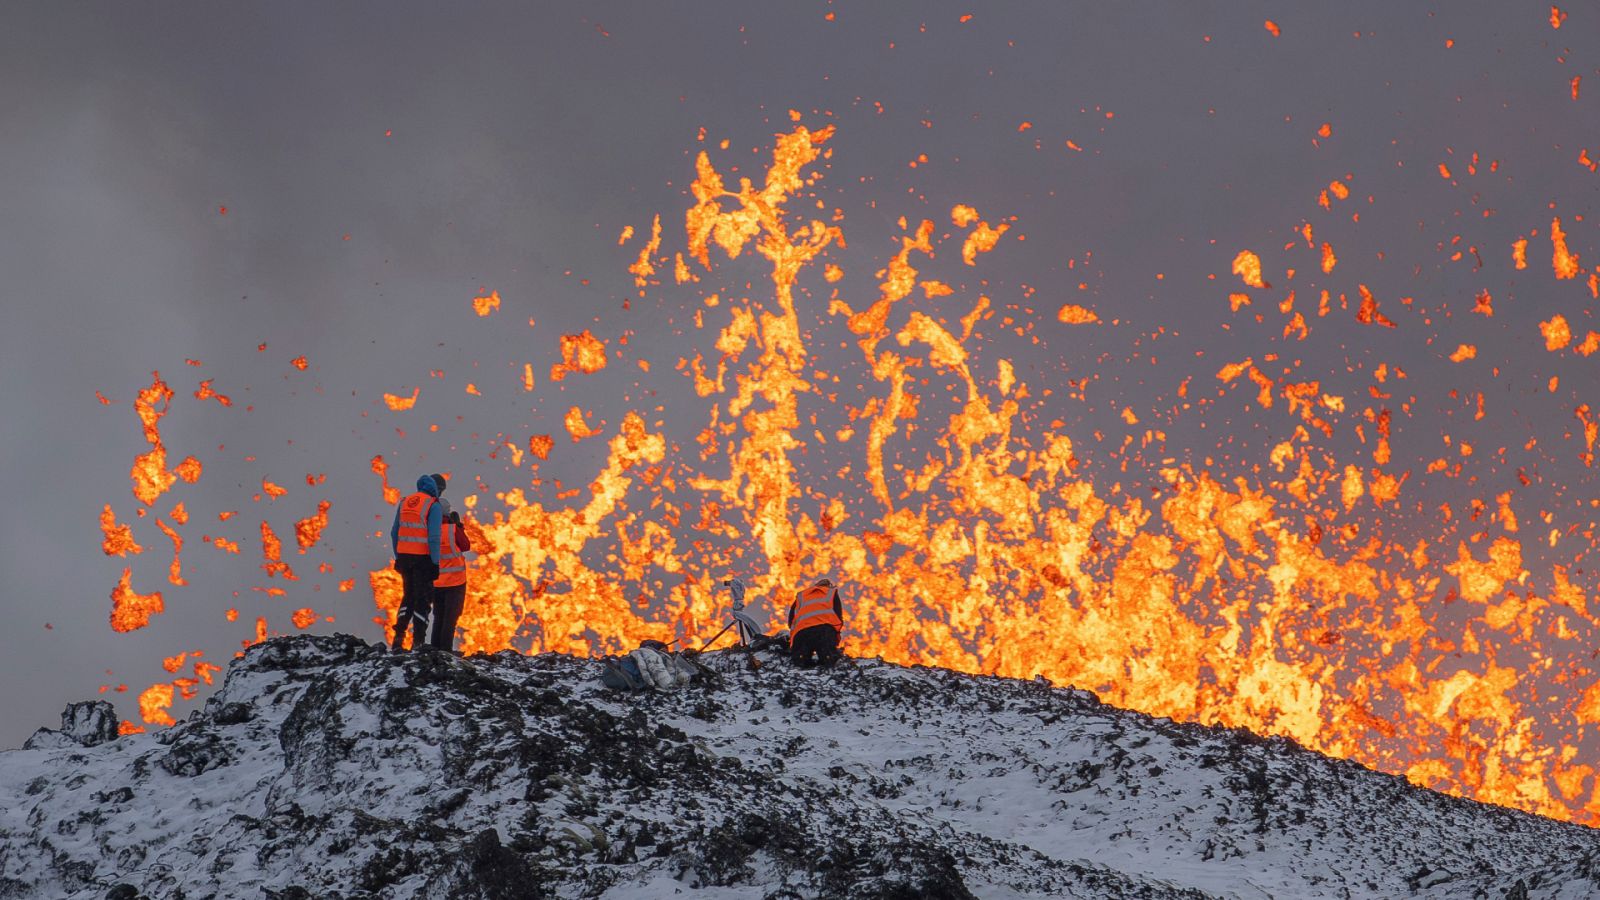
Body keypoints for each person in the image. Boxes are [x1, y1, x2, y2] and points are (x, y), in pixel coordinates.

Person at [389, 473, 446, 651]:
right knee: (423, 599)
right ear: (436, 489)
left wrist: (398, 556)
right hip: (422, 559)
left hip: (404, 558)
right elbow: (434, 537)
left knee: (408, 596)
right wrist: (435, 562)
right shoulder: (432, 505)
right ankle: (418, 642)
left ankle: (399, 636)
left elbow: (394, 532)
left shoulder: (405, 502)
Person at [430, 504, 473, 651]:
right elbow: (466, 546)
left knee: (438, 616)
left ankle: (434, 650)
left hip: (436, 581)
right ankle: (446, 651)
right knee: (450, 618)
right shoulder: (452, 529)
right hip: (455, 582)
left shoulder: (428, 529)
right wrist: (459, 527)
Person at [788, 576, 843, 666]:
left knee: (802, 662)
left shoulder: (802, 595)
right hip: (824, 632)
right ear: (829, 586)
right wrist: (835, 636)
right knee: (829, 660)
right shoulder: (831, 593)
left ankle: (804, 660)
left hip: (802, 633)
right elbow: (838, 615)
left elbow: (791, 619)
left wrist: (794, 636)